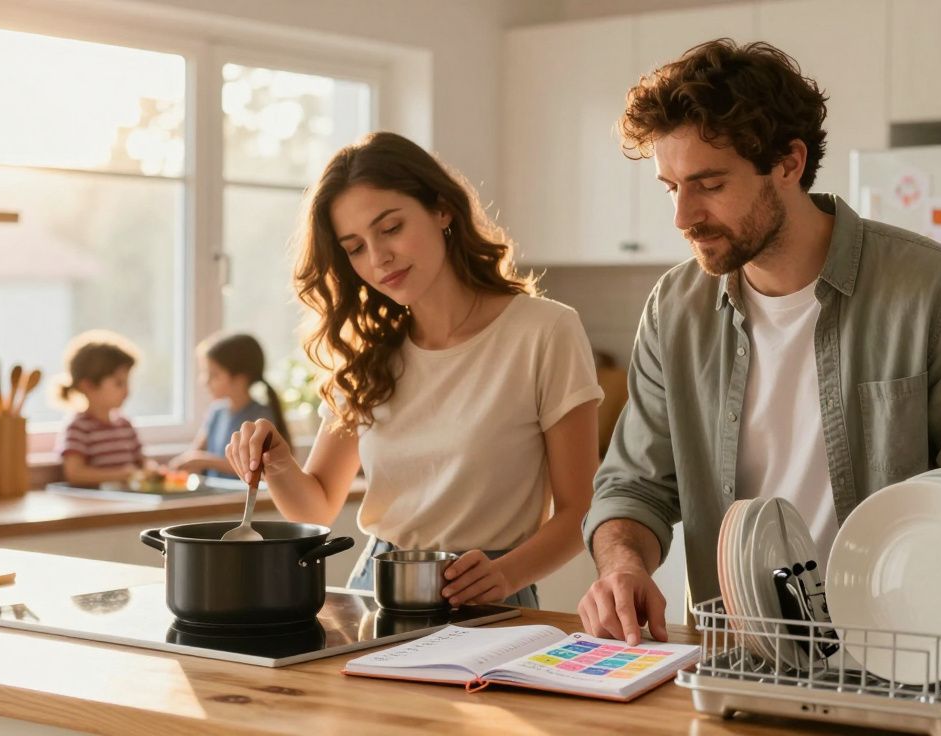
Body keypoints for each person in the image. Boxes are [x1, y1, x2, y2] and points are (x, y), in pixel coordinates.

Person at [578, 39, 941, 644]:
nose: (683, 217)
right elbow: (633, 485)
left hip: (907, 651)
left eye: (709, 184)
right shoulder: (675, 309)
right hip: (739, 656)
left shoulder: (936, 289)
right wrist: (623, 565)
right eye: (671, 187)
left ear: (789, 163)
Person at [224, 132, 603, 608]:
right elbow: (317, 505)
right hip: (377, 592)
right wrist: (278, 463)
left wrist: (505, 575)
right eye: (355, 247)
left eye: (390, 228)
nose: (378, 258)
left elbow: (581, 510)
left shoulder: (545, 332)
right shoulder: (367, 354)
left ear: (442, 209)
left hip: (491, 596)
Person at [171, 333, 293, 479]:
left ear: (240, 379)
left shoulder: (260, 418)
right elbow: (195, 451)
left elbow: (255, 467)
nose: (204, 381)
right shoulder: (216, 412)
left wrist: (204, 461)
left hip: (241, 499)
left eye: (213, 375)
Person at [53, 330, 149, 486]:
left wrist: (151, 470)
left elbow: (142, 462)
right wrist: (119, 475)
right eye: (119, 383)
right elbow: (74, 473)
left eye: (127, 382)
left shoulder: (125, 425)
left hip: (129, 504)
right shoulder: (78, 428)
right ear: (88, 386)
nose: (127, 390)